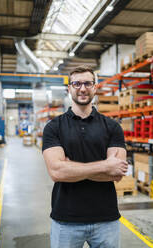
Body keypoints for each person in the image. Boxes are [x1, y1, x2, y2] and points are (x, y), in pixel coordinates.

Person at [42, 66, 128, 248]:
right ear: (69, 89)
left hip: (106, 219)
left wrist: (71, 167)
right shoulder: (53, 127)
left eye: (88, 83)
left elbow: (117, 173)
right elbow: (57, 172)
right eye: (77, 83)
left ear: (95, 87)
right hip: (66, 219)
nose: (82, 88)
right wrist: (105, 165)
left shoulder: (112, 127)